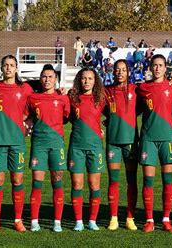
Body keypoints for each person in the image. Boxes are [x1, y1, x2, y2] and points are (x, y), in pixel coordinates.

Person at [0, 55, 34, 233]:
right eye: (5, 65)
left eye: (12, 65)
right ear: (1, 68)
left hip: (17, 142)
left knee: (17, 179)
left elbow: (38, 105)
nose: (8, 68)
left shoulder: (25, 88)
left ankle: (17, 219)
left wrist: (29, 122)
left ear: (16, 68)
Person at [25, 64, 70, 232]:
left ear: (56, 79)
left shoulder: (63, 98)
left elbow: (67, 117)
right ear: (40, 78)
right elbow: (28, 117)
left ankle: (57, 222)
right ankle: (34, 221)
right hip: (39, 145)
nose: (47, 80)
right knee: (37, 184)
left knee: (57, 183)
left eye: (51, 77)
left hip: (57, 144)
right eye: (44, 76)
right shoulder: (33, 98)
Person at [136, 54, 172, 233]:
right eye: (155, 65)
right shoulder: (142, 88)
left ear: (165, 68)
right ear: (150, 67)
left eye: (161, 65)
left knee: (168, 181)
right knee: (148, 181)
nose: (158, 68)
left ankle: (166, 219)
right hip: (149, 139)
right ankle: (149, 220)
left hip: (168, 137)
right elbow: (132, 109)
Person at [67, 68, 106, 231]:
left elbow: (114, 113)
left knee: (94, 184)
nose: (87, 81)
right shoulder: (71, 98)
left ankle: (92, 220)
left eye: (90, 78)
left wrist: (101, 128)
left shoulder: (101, 98)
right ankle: (78, 221)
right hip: (77, 146)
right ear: (79, 80)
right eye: (84, 78)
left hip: (95, 147)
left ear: (95, 81)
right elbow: (66, 116)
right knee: (77, 184)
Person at [104, 60, 139, 231]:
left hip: (131, 142)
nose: (120, 73)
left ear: (128, 72)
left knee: (131, 181)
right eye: (117, 70)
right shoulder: (106, 91)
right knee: (114, 180)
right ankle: (114, 218)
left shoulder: (136, 90)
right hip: (113, 143)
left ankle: (130, 218)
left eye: (123, 70)